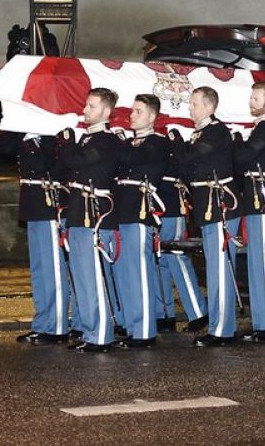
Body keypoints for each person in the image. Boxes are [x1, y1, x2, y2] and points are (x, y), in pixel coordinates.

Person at [169, 86, 240, 347]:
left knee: (220, 268)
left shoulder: (217, 132)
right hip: (207, 205)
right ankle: (218, 324)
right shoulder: (200, 134)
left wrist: (176, 143)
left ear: (209, 107)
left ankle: (222, 330)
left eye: (195, 104)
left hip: (220, 205)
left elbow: (190, 158)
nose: (191, 108)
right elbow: (186, 168)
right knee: (214, 267)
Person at [57, 88, 125, 353]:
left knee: (92, 276)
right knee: (81, 276)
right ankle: (89, 330)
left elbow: (78, 161)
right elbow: (67, 166)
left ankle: (101, 335)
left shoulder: (107, 140)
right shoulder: (88, 139)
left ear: (106, 112)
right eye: (86, 105)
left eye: (91, 106)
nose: (85, 110)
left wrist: (67, 142)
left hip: (92, 212)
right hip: (78, 210)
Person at [112, 94, 170, 348]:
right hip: (122, 209)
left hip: (139, 208)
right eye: (132, 110)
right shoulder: (130, 142)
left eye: (137, 111)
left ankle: (145, 330)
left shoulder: (157, 142)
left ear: (152, 116)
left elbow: (131, 159)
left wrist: (117, 142)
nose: (131, 115)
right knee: (124, 272)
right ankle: (132, 326)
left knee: (139, 272)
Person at [235, 81, 265, 342]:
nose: (251, 102)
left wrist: (234, 141)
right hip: (255, 200)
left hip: (264, 200)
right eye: (251, 97)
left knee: (263, 262)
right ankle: (262, 322)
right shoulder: (262, 127)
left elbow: (245, 156)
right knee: (257, 261)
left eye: (256, 98)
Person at [14, 132, 70, 345]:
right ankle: (42, 322)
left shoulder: (55, 135)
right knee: (38, 270)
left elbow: (48, 165)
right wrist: (25, 133)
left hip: (50, 204)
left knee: (53, 270)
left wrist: (36, 139)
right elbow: (2, 145)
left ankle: (57, 326)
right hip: (32, 204)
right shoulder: (26, 135)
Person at [154, 160, 209, 334]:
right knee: (158, 262)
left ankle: (198, 312)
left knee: (177, 259)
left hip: (171, 205)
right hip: (152, 206)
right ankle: (164, 315)